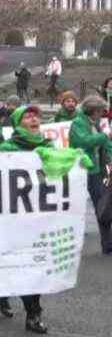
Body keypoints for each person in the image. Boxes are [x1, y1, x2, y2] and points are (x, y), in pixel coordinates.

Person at [0, 105, 52, 334]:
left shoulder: (49, 146)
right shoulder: (6, 148)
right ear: (18, 124)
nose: (33, 118)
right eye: (27, 116)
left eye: (35, 115)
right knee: (19, 266)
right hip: (14, 217)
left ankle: (32, 313)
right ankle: (11, 298)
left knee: (35, 266)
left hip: (40, 217)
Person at [69, 95, 112, 255]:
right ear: (92, 111)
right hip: (80, 171)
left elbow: (107, 145)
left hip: (96, 171)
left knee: (103, 206)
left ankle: (107, 244)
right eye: (100, 111)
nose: (102, 114)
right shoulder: (78, 123)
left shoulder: (95, 124)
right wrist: (104, 136)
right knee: (75, 207)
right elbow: (84, 141)